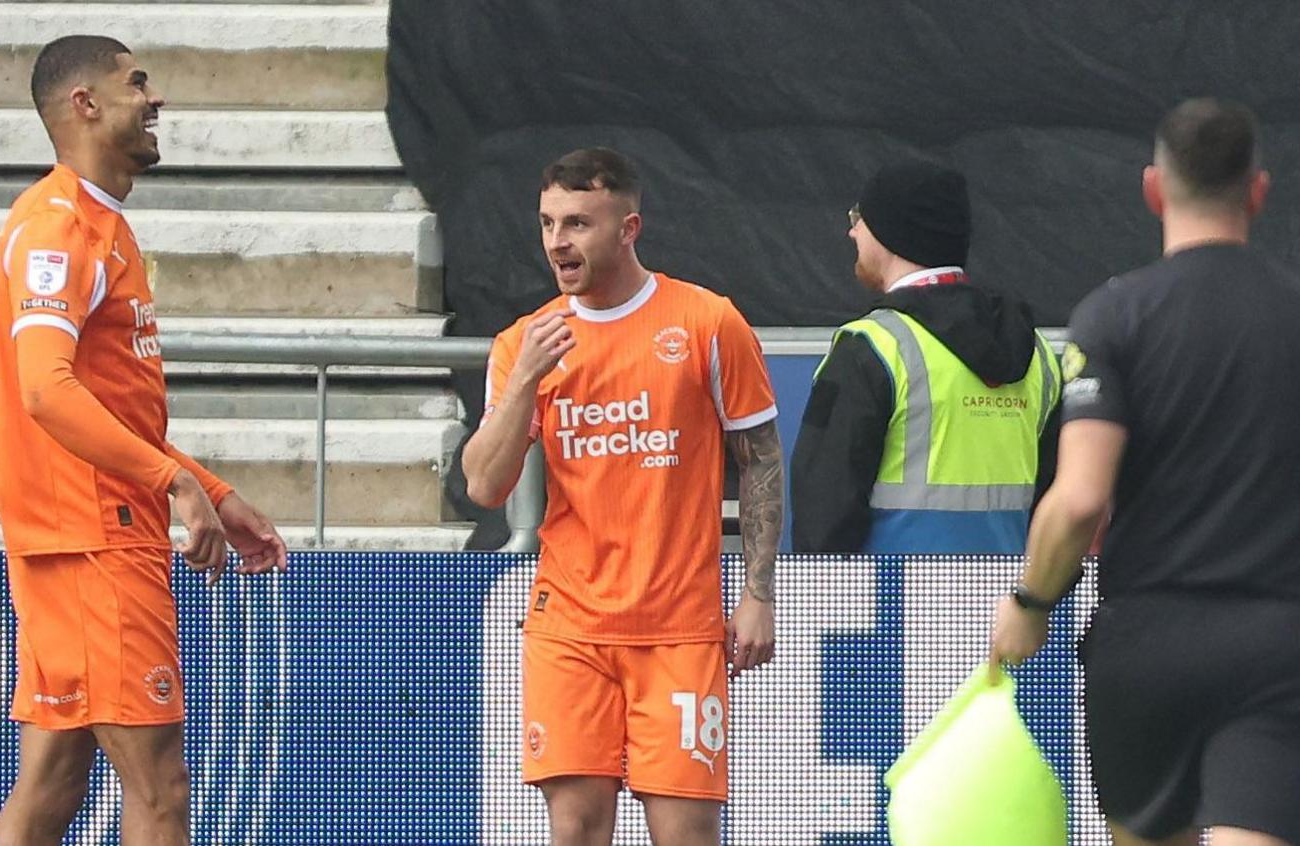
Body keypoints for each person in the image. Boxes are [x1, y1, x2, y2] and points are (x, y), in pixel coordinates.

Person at [0, 35, 287, 845]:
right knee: (161, 789)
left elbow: (108, 410)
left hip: (77, 539)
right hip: (96, 543)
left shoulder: (91, 225)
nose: (156, 100)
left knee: (53, 782)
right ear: (84, 104)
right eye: (137, 83)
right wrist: (172, 484)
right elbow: (46, 390)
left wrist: (211, 489)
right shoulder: (60, 230)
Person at [992, 98, 1300, 846]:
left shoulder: (1114, 316)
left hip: (1146, 644)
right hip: (1276, 639)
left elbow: (1080, 500)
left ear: (1154, 191)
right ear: (1257, 191)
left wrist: (1031, 605)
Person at [461, 147, 783, 846]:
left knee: (686, 833)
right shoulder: (526, 343)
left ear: (628, 228)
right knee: (574, 827)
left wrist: (758, 590)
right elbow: (485, 484)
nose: (557, 241)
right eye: (547, 223)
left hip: (678, 627)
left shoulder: (706, 322)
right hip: (570, 624)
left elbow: (759, 460)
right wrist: (525, 385)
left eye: (577, 223)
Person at [789, 161, 1061, 554]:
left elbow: (824, 508)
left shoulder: (872, 348)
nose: (852, 231)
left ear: (890, 234)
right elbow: (1060, 508)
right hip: (1007, 606)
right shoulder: (1039, 356)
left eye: (860, 218)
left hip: (896, 606)